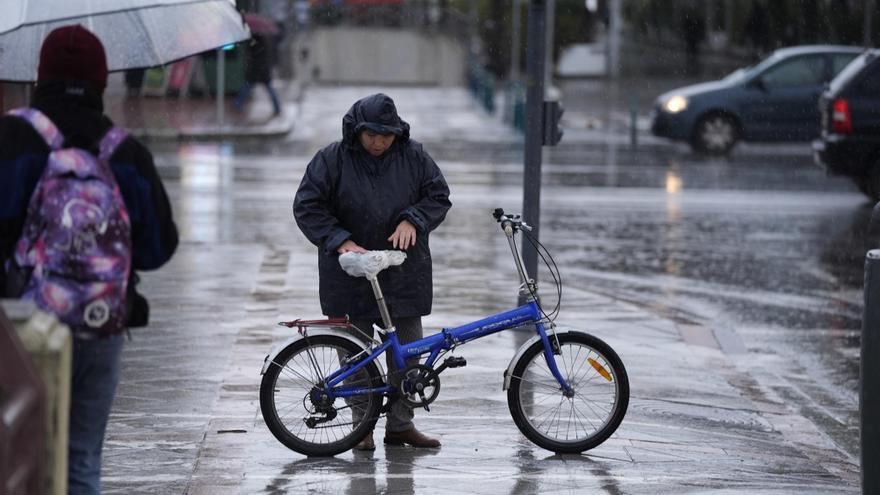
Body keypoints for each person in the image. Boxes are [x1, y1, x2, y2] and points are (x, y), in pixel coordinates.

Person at [0, 25, 178, 494]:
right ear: (101, 81)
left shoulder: (11, 137)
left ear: (42, 76)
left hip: (19, 327)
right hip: (101, 324)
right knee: (81, 459)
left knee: (16, 457)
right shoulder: (125, 151)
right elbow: (161, 247)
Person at [293, 93, 451, 451]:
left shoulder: (415, 157)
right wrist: (340, 240)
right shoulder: (331, 159)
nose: (379, 142)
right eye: (372, 135)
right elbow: (307, 205)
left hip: (403, 273)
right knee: (356, 356)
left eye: (386, 135)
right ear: (357, 130)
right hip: (349, 274)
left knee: (408, 355)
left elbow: (438, 196)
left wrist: (415, 218)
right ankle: (360, 428)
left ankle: (400, 425)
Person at [233, 33, 282, 116]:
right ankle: (277, 107)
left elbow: (252, 53)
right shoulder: (262, 39)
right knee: (268, 89)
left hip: (256, 70)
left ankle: (237, 104)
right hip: (262, 69)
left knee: (247, 87)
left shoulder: (254, 41)